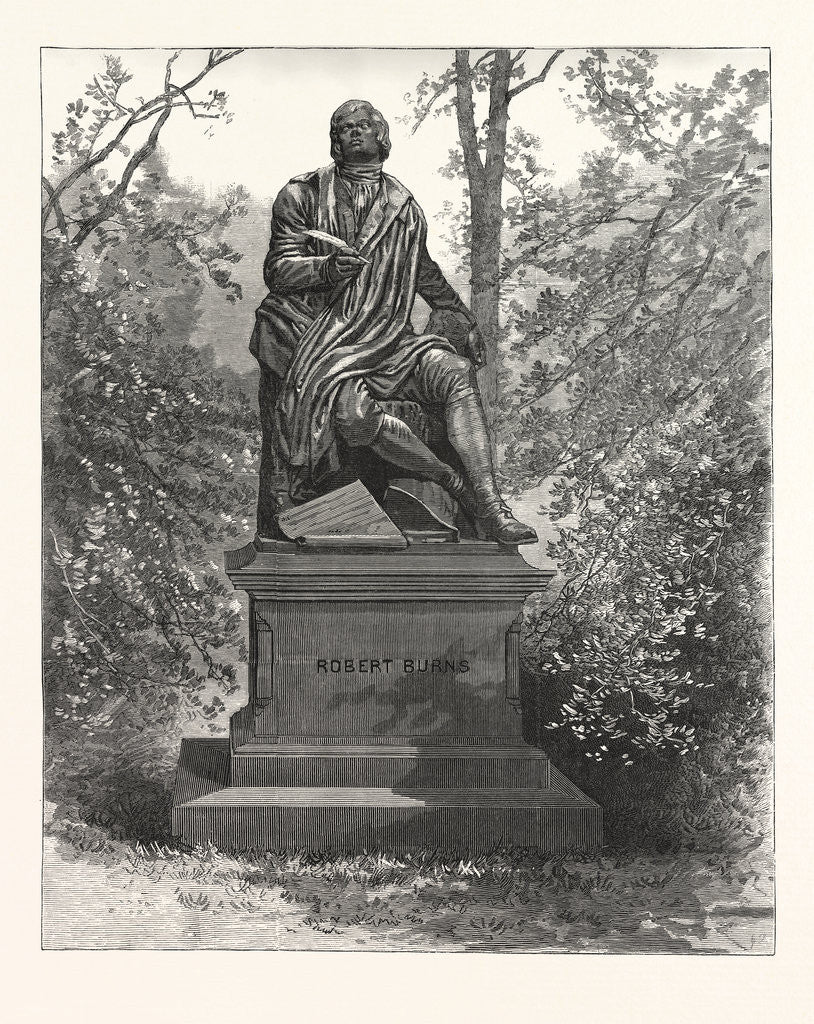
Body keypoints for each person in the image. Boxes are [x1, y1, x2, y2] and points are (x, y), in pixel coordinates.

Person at [249, 99, 537, 545]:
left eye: (364, 125)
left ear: (382, 136)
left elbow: (421, 269)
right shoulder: (301, 194)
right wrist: (325, 269)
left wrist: (460, 315)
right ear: (335, 142)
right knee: (353, 417)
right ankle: (451, 482)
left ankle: (490, 503)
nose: (355, 133)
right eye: (344, 128)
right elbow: (278, 269)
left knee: (455, 374)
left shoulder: (404, 204)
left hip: (389, 336)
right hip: (323, 334)